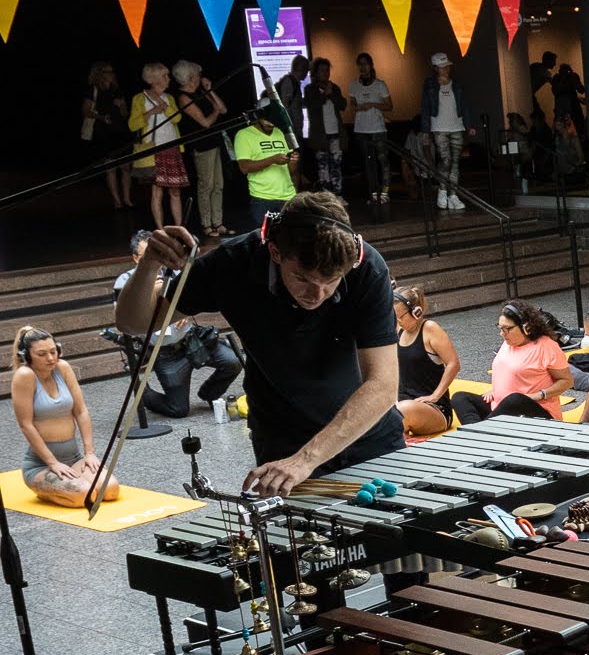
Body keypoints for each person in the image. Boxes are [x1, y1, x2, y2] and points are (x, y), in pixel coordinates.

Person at [115, 194, 403, 493]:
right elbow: (134, 323)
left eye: (330, 281)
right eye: (302, 278)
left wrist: (306, 460)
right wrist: (149, 264)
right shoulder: (233, 263)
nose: (317, 294)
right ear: (276, 252)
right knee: (301, 538)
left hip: (367, 432)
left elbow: (382, 385)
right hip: (283, 436)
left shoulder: (367, 268)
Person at [114, 230, 242, 419]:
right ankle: (145, 394)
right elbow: (123, 320)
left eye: (160, 253)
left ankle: (209, 393)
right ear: (135, 258)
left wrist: (187, 312)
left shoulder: (175, 271)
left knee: (233, 361)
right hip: (166, 352)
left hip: (191, 340)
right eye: (147, 255)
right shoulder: (126, 282)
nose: (158, 260)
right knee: (178, 409)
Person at [12, 327, 118, 507]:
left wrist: (89, 453)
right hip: (41, 465)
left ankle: (66, 485)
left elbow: (81, 411)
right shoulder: (24, 375)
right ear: (26, 356)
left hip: (73, 457)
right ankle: (45, 490)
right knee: (84, 494)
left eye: (54, 351)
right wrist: (52, 463)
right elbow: (26, 425)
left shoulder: (62, 367)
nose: (51, 358)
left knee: (110, 490)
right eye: (42, 354)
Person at [449, 301, 572, 426]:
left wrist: (538, 395)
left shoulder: (546, 346)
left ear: (526, 327)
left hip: (535, 411)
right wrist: (495, 390)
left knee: (515, 399)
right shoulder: (508, 343)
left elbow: (567, 381)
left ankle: (480, 431)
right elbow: (506, 372)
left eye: (507, 329)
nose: (502, 334)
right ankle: (478, 431)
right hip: (501, 407)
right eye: (500, 328)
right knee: (460, 398)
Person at [387, 283, 457, 437]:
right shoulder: (400, 330)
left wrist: (435, 396)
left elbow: (453, 364)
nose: (397, 321)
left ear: (416, 312)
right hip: (405, 403)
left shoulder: (430, 329)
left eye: (400, 317)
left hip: (435, 409)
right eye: (394, 316)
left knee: (400, 413)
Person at [172, 61, 228, 240]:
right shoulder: (183, 97)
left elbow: (223, 109)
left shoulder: (200, 92)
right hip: (202, 145)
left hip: (215, 142)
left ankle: (218, 222)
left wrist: (209, 90)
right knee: (207, 185)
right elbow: (204, 122)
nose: (200, 77)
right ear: (189, 77)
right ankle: (206, 224)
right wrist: (216, 112)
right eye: (197, 74)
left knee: (218, 184)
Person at [130, 62, 186, 229]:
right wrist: (149, 113)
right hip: (153, 150)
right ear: (153, 79)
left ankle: (180, 227)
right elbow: (132, 125)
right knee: (157, 191)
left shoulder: (169, 98)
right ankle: (160, 229)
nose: (168, 79)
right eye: (164, 76)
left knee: (175, 190)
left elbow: (177, 119)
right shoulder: (139, 99)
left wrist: (164, 107)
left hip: (172, 147)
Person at [234, 110, 296, 228]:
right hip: (263, 198)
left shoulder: (280, 132)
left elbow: (292, 170)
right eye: (268, 119)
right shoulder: (243, 135)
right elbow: (244, 167)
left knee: (290, 238)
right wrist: (272, 159)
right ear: (258, 117)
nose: (271, 123)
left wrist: (293, 161)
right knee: (265, 239)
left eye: (274, 120)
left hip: (288, 196)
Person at [84, 62, 133, 211]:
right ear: (99, 73)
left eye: (112, 71)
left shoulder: (117, 89)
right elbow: (86, 111)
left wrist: (121, 106)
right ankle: (116, 200)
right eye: (107, 71)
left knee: (126, 167)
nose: (111, 73)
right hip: (104, 131)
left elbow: (125, 113)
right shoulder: (93, 89)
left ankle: (127, 199)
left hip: (121, 130)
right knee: (110, 167)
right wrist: (101, 117)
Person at [420, 53, 466, 209]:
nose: (445, 69)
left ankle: (453, 195)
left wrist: (469, 124)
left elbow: (464, 105)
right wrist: (425, 130)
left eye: (447, 66)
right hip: (439, 127)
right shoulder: (430, 84)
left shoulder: (457, 84)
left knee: (455, 162)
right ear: (435, 68)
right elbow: (425, 107)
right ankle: (442, 189)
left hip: (457, 126)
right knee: (445, 160)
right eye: (442, 67)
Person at [348, 53, 393, 204]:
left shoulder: (380, 84)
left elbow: (389, 106)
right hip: (361, 129)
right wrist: (358, 106)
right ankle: (373, 193)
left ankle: (385, 192)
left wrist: (373, 104)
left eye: (365, 63)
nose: (362, 67)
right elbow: (352, 106)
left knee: (383, 161)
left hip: (378, 129)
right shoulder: (354, 85)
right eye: (360, 64)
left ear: (371, 65)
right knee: (368, 163)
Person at [303, 58, 346, 194]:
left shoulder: (334, 88)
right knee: (323, 167)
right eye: (322, 70)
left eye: (327, 70)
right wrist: (324, 95)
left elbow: (343, 105)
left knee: (336, 166)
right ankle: (326, 197)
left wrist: (331, 93)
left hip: (335, 133)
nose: (326, 73)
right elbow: (313, 106)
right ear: (315, 73)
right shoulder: (310, 89)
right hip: (320, 135)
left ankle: (338, 195)